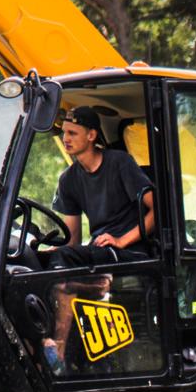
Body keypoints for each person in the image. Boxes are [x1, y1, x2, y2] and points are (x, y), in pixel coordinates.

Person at [43, 105, 155, 370]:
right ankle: (54, 346)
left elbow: (156, 209)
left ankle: (58, 352)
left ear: (92, 135)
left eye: (73, 133)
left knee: (63, 265)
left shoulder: (119, 163)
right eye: (64, 133)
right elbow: (71, 241)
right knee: (43, 261)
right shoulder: (68, 179)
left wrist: (121, 240)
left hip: (130, 250)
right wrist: (47, 253)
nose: (66, 138)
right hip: (100, 249)